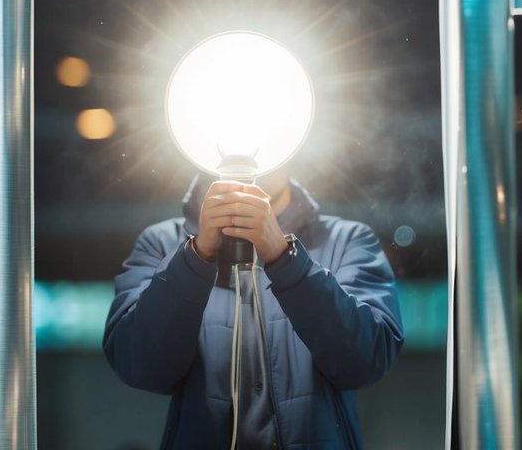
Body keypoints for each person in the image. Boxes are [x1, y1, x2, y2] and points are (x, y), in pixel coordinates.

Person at [103, 168, 403, 449]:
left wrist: (284, 258)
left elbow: (368, 359)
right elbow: (138, 365)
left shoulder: (345, 240)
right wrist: (196, 256)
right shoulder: (163, 243)